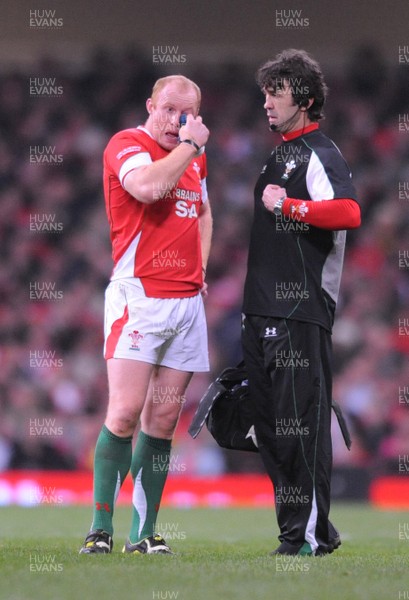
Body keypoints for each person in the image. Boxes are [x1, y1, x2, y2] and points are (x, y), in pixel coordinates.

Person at [80, 75, 212, 555]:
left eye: (187, 113)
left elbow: (202, 213)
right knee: (124, 411)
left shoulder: (195, 159)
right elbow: (149, 188)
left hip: (186, 302)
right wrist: (189, 148)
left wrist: (202, 270)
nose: (176, 120)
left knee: (162, 420)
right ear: (150, 105)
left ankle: (144, 534)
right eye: (169, 109)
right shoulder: (128, 144)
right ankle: (100, 528)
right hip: (140, 296)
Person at [241, 49, 361, 556]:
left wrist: (287, 205)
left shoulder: (319, 151)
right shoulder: (278, 152)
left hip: (301, 312)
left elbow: (350, 212)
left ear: (306, 100)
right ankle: (313, 530)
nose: (266, 102)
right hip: (262, 310)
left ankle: (304, 536)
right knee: (270, 430)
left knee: (301, 427)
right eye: (265, 92)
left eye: (277, 93)